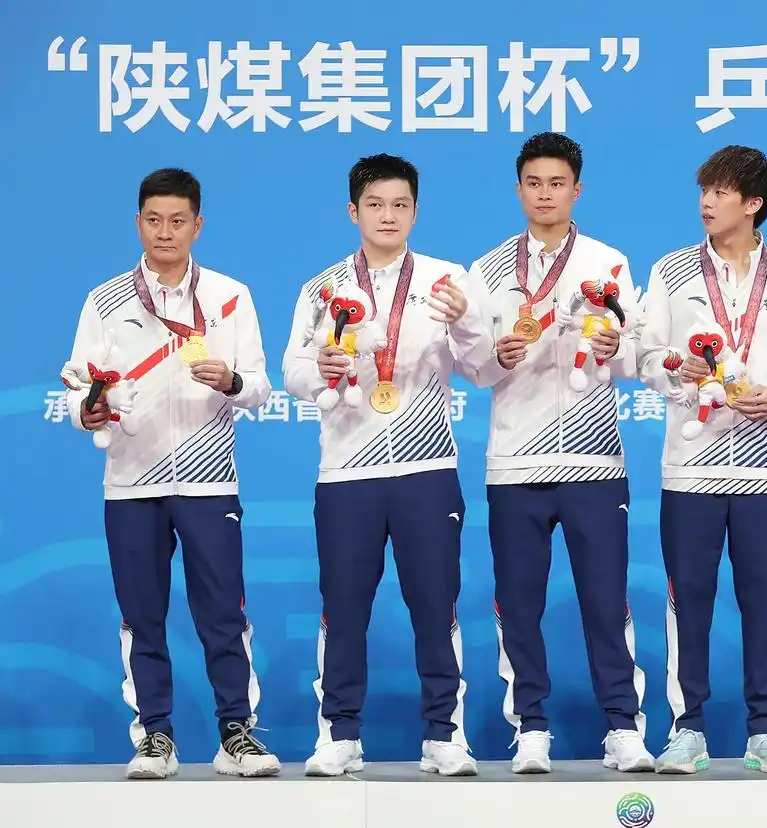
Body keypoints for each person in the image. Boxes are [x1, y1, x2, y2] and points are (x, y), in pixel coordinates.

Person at [58, 168, 280, 779]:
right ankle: (154, 736)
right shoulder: (105, 301)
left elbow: (261, 388)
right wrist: (87, 409)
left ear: (197, 225)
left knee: (224, 614)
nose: (165, 232)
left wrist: (230, 380)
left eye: (177, 221)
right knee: (142, 614)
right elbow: (78, 389)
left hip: (210, 483)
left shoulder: (231, 296)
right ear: (138, 223)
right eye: (154, 220)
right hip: (131, 481)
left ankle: (236, 734)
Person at [282, 154, 493, 778]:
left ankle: (444, 735)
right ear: (354, 211)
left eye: (400, 205)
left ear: (416, 212)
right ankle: (339, 734)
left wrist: (467, 321)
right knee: (344, 609)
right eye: (375, 204)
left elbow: (482, 367)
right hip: (347, 473)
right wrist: (318, 371)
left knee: (435, 605)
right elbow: (292, 370)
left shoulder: (447, 281)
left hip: (427, 471)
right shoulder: (322, 289)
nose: (388, 215)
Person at [464, 132, 654, 774]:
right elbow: (473, 366)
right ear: (518, 189)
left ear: (577, 189)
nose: (545, 194)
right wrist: (497, 356)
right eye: (534, 183)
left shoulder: (608, 262)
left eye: (557, 183)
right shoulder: (488, 269)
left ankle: (623, 727)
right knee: (519, 604)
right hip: (515, 460)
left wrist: (614, 348)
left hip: (593, 461)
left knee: (606, 601)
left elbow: (635, 357)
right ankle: (532, 728)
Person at [636, 145, 767, 774]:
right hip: (691, 465)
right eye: (704, 190)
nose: (707, 203)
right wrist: (674, 370)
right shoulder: (671, 271)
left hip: (764, 467)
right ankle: (687, 728)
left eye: (720, 192)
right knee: (689, 600)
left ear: (753, 202)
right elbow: (644, 355)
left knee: (763, 599)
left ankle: (765, 730)